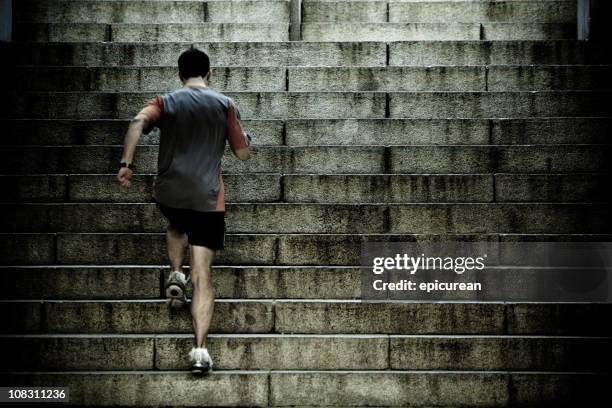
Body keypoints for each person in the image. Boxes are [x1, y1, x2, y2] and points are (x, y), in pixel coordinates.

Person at [116, 48, 252, 374]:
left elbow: (137, 121)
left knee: (176, 221)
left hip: (171, 190)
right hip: (207, 198)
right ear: (210, 73)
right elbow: (243, 154)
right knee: (203, 277)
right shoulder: (224, 104)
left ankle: (176, 272)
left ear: (180, 74)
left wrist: (126, 164)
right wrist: (246, 138)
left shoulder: (166, 101)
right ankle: (200, 351)